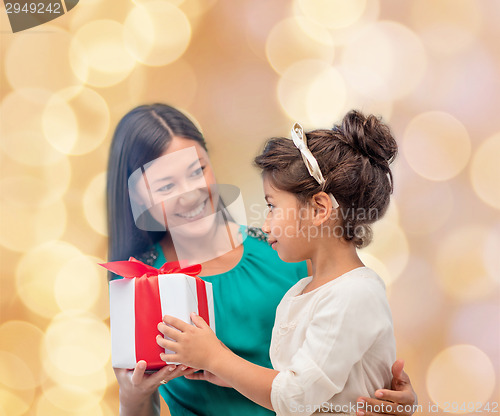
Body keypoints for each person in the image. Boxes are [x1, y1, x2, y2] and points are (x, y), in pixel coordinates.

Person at [106, 104, 418, 416]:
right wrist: (131, 398)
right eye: (166, 185)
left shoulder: (290, 248)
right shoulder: (142, 285)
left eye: (197, 170)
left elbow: (349, 353)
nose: (190, 193)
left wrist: (391, 397)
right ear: (137, 196)